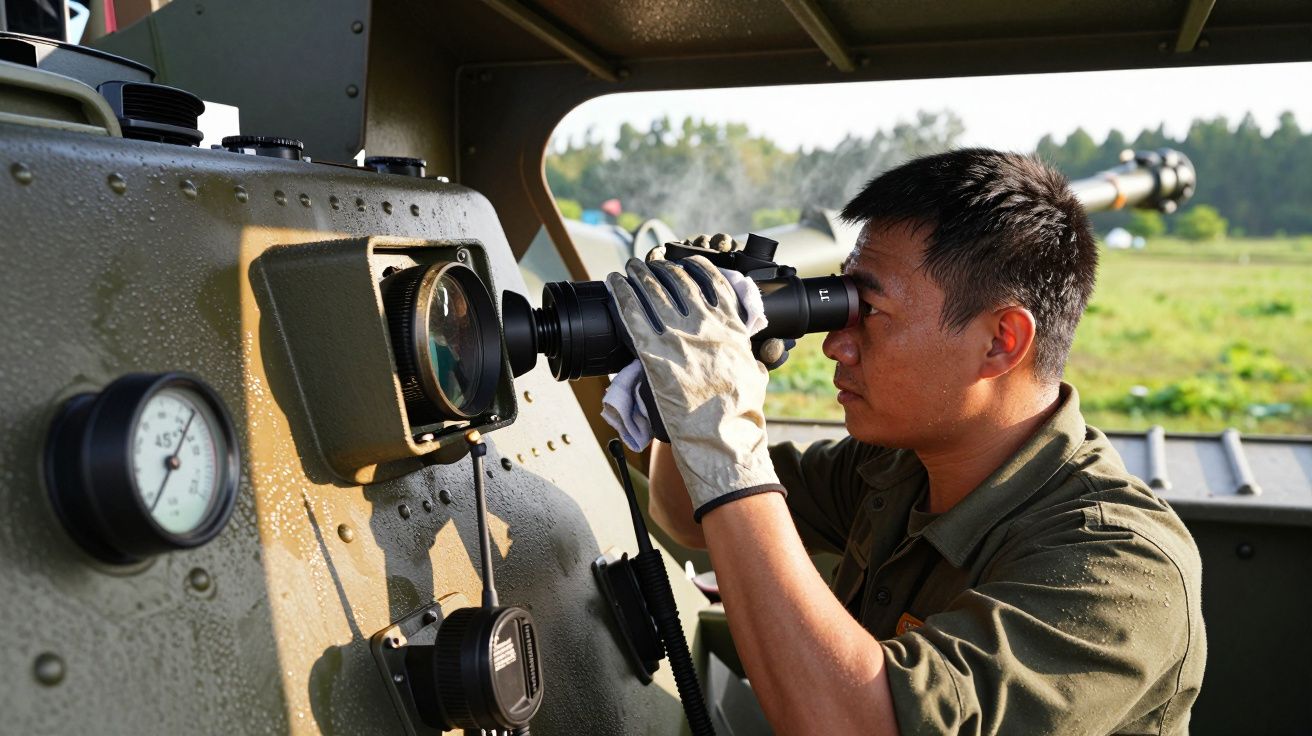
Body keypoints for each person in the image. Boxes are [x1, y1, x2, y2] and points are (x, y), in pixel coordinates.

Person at [606, 149, 1206, 735]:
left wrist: (722, 426)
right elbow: (685, 511)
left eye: (867, 309)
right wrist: (682, 389)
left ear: (1001, 341)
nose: (835, 344)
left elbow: (853, 722)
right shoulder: (900, 466)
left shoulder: (1121, 569)